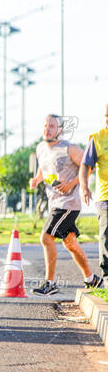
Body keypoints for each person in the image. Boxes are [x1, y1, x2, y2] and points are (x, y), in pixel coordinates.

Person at [29, 114, 102, 295]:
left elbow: (88, 168)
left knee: (46, 238)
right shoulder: (40, 148)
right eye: (45, 125)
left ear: (60, 130)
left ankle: (50, 283)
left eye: (52, 126)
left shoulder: (70, 149)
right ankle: (91, 279)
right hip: (55, 202)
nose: (47, 129)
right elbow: (43, 168)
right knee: (70, 243)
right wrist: (36, 180)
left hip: (69, 204)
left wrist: (71, 183)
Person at [80, 104, 108, 288]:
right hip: (105, 196)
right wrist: (84, 186)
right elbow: (85, 165)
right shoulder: (97, 138)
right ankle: (107, 277)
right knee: (106, 235)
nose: (107, 119)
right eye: (106, 115)